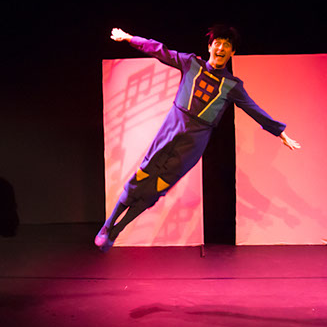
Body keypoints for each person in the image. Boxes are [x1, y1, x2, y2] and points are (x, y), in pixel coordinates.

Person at [96, 25, 300, 251]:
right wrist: (129, 38)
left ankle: (118, 229)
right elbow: (160, 50)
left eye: (227, 45)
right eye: (218, 43)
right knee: (143, 174)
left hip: (194, 142)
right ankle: (107, 225)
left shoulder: (232, 85)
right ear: (210, 46)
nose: (221, 48)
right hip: (171, 128)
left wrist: (279, 132)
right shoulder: (191, 63)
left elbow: (254, 110)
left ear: (232, 52)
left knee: (157, 188)